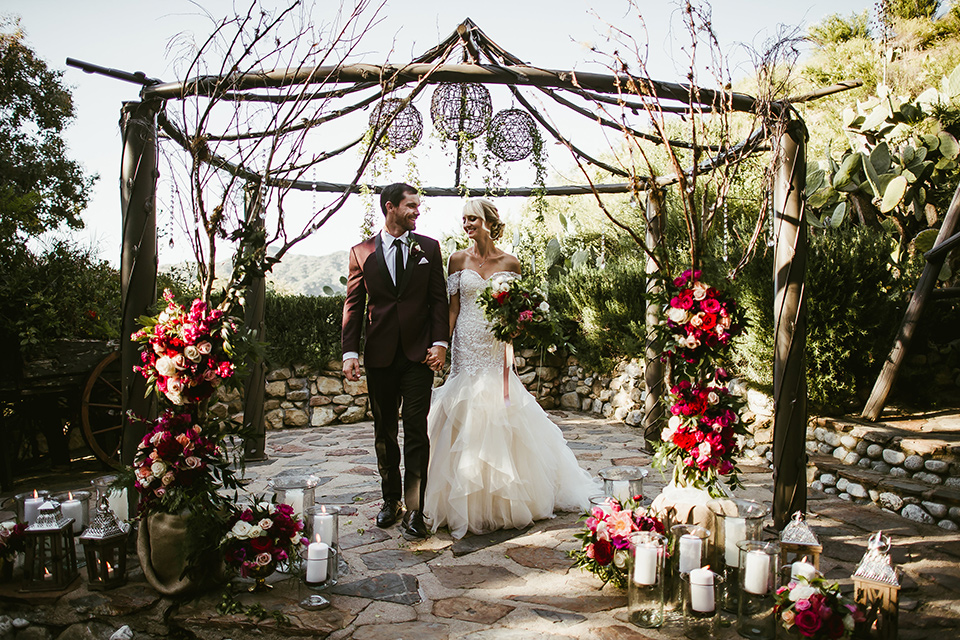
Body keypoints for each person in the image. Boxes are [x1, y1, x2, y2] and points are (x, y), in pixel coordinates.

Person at [423, 198, 598, 539]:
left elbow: (515, 314)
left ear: (488, 221)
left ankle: (506, 500)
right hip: (465, 345)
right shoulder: (457, 259)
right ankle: (457, 499)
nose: (467, 224)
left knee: (499, 408)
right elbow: (453, 308)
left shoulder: (511, 263)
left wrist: (515, 328)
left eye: (472, 219)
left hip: (494, 344)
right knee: (461, 408)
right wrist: (442, 344)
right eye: (464, 219)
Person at [341, 183, 449, 540]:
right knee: (384, 431)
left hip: (419, 356)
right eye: (411, 206)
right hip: (380, 356)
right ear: (390, 208)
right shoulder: (361, 252)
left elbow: (438, 301)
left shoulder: (429, 249)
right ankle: (390, 501)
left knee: (417, 430)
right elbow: (354, 306)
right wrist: (350, 352)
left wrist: (439, 343)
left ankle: (415, 510)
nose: (417, 211)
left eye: (418, 206)